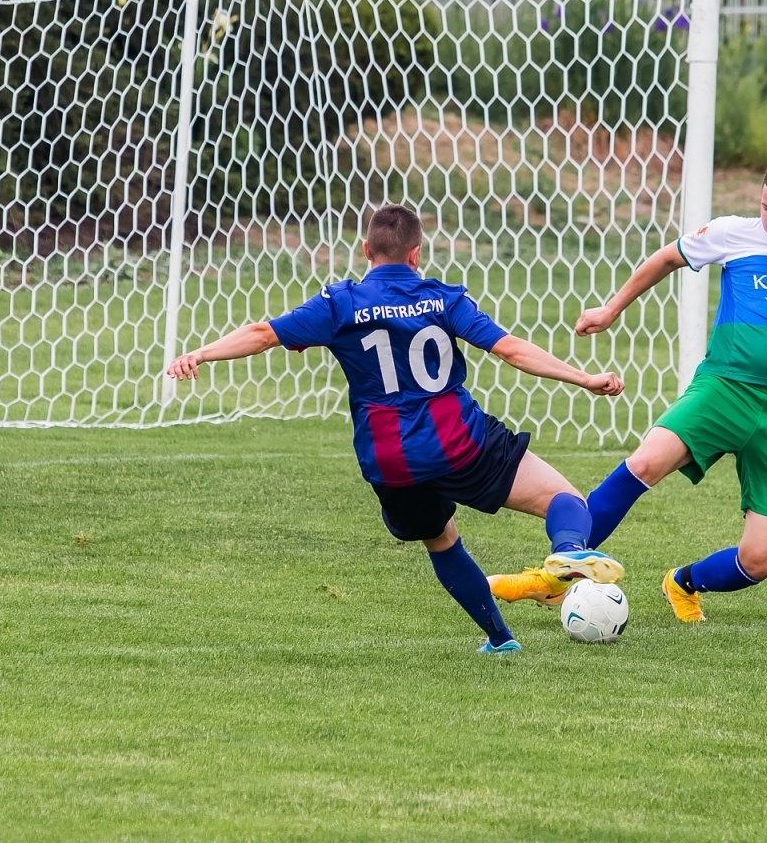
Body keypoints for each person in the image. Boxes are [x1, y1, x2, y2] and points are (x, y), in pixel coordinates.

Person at [490, 158, 767, 616]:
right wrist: (612, 310)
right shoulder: (734, 233)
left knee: (760, 560)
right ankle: (554, 575)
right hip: (725, 389)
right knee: (647, 460)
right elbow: (668, 257)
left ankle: (683, 582)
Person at [165, 204, 626, 654]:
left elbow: (263, 333)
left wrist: (201, 354)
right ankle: (568, 549)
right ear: (416, 254)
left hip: (392, 463)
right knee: (565, 501)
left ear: (366, 250)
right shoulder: (443, 298)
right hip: (460, 444)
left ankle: (501, 639)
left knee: (441, 540)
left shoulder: (341, 303)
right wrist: (584, 379)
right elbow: (510, 349)